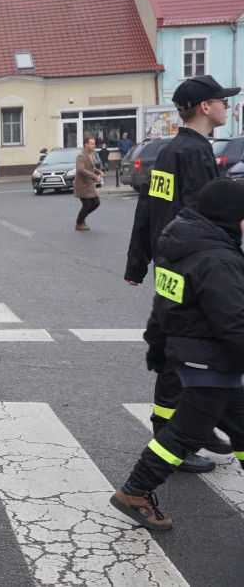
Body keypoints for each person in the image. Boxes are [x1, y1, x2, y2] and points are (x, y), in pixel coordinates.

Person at [110, 178, 244, 531]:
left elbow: (164, 305)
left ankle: (135, 490)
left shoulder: (184, 248)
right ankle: (134, 492)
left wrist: (157, 345)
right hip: (211, 363)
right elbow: (233, 323)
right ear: (233, 217)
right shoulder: (218, 258)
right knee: (183, 435)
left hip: (203, 358)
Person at [124, 74, 239, 473]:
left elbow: (148, 208)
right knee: (198, 350)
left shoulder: (169, 150)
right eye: (223, 101)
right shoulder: (196, 153)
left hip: (169, 263)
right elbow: (209, 216)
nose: (228, 106)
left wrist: (138, 262)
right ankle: (187, 430)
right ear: (205, 107)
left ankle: (175, 426)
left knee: (179, 349)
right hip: (194, 268)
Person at [74, 137, 103, 231]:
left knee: (96, 202)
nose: (94, 146)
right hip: (82, 185)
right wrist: (95, 177)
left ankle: (82, 219)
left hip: (89, 185)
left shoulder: (91, 155)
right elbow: (80, 169)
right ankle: (79, 223)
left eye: (94, 144)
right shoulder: (81, 156)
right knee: (87, 205)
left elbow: (90, 167)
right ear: (86, 144)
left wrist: (98, 171)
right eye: (92, 144)